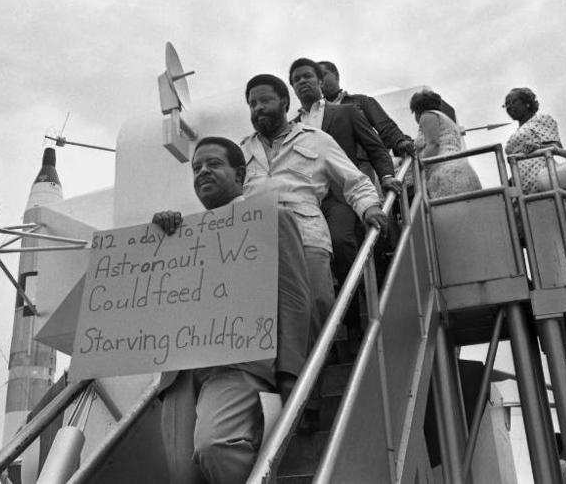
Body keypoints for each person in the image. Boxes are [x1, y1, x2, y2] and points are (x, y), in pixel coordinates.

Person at [152, 136, 312, 484]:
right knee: (183, 476)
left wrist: (290, 373)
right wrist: (163, 242)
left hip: (239, 362)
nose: (202, 172)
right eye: (196, 168)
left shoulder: (272, 220)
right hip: (180, 373)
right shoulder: (180, 234)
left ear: (239, 173)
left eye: (213, 164)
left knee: (216, 446)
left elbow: (295, 298)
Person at [241, 73, 387, 345]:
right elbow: (226, 200)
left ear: (284, 102)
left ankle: (312, 383)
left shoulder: (316, 140)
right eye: (252, 104)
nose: (258, 107)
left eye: (264, 100)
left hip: (305, 238)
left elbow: (354, 181)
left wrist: (369, 208)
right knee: (263, 321)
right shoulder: (242, 150)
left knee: (314, 311)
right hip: (255, 246)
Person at [289, 57, 401, 287]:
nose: (302, 82)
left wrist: (387, 175)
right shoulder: (291, 128)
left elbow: (375, 148)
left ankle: (363, 300)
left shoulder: (346, 112)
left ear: (320, 80)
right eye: (296, 79)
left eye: (307, 76)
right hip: (308, 202)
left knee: (340, 241)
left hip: (343, 194)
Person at [318, 60, 415, 157]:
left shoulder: (361, 101)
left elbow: (385, 125)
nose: (320, 80)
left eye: (323, 75)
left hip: (361, 165)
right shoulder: (316, 111)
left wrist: (399, 141)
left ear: (336, 76)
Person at [409, 89, 482, 199]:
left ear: (416, 110)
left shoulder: (427, 116)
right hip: (460, 169)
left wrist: (418, 168)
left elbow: (433, 145)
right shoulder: (445, 119)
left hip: (445, 173)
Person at [503, 87, 563, 193]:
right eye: (506, 104)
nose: (509, 106)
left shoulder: (541, 119)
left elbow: (556, 147)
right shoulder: (516, 133)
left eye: (513, 102)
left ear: (527, 103)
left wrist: (537, 147)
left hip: (541, 178)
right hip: (520, 183)